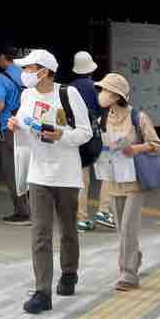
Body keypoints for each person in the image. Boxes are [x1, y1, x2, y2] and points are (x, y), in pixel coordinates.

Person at [7, 49, 91, 314]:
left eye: (29, 68)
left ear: (44, 71)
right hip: (38, 174)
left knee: (68, 229)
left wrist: (61, 136)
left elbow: (85, 132)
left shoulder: (68, 94)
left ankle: (69, 272)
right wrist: (16, 126)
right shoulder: (27, 95)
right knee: (40, 232)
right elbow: (24, 125)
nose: (25, 73)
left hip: (66, 174)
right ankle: (42, 292)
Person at [93, 72, 160, 291]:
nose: (101, 94)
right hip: (114, 180)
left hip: (134, 181)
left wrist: (135, 148)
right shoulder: (103, 118)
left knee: (128, 228)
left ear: (117, 95)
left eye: (105, 90)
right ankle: (134, 257)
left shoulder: (138, 117)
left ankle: (128, 274)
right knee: (121, 230)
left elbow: (157, 145)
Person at [69, 51, 111, 232]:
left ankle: (81, 218)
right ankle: (103, 210)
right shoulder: (95, 87)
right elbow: (104, 110)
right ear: (90, 69)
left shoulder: (68, 88)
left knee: (82, 179)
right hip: (95, 137)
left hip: (77, 137)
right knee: (107, 173)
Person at [0, 46, 31, 226]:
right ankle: (35, 209)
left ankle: (22, 212)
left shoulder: (1, 78)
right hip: (27, 127)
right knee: (27, 169)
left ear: (2, 58)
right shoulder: (25, 74)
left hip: (10, 127)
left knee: (12, 171)